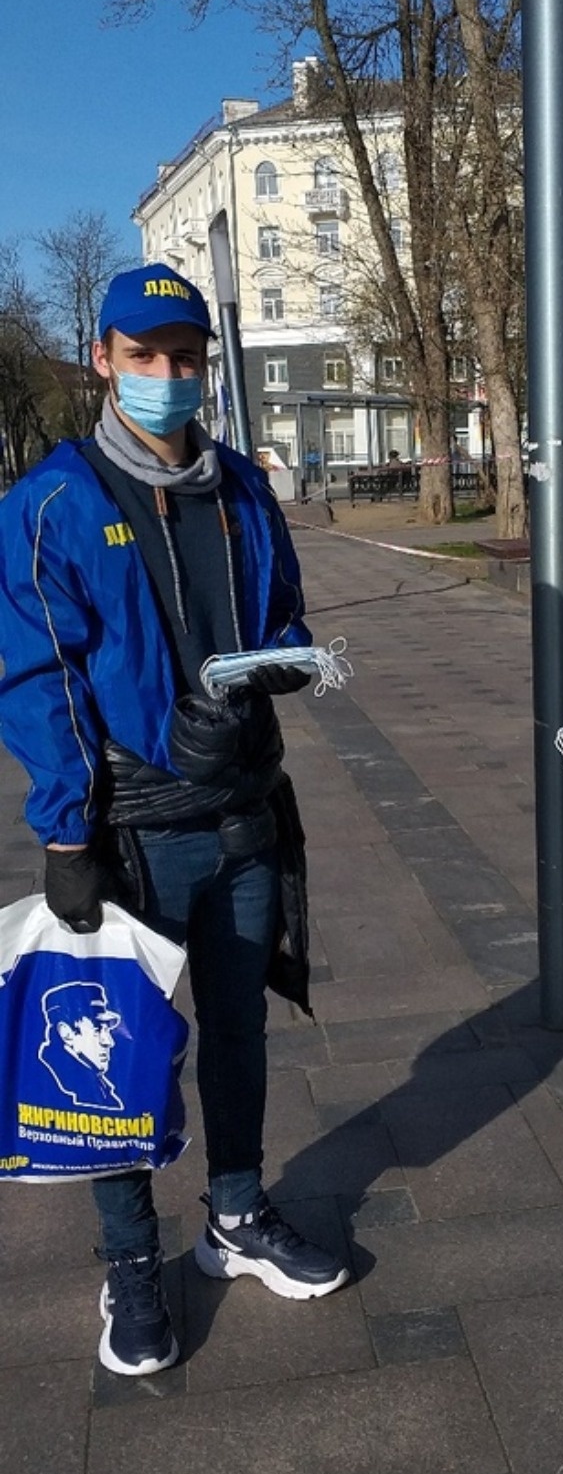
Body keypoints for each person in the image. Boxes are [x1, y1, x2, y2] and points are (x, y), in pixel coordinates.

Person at [0, 262, 348, 1378]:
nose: (166, 375)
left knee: (239, 1030)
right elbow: (36, 678)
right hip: (132, 829)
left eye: (185, 357)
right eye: (143, 355)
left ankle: (235, 1215)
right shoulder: (51, 503)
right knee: (119, 1052)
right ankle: (131, 1260)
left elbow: (280, 608)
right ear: (103, 359)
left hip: (242, 810)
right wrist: (67, 835)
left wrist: (276, 666)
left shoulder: (241, 484)